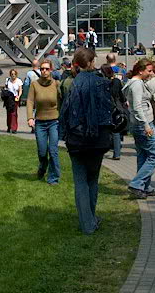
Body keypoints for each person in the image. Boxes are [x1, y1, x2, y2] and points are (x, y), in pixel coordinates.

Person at [58, 47, 113, 235]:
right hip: (97, 139)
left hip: (76, 139)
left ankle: (87, 222)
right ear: (90, 62)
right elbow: (108, 111)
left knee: (81, 181)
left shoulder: (69, 83)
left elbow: (64, 111)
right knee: (92, 179)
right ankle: (90, 220)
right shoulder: (102, 83)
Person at [124, 58, 155, 199]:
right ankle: (136, 183)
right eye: (149, 71)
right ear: (140, 71)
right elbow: (138, 106)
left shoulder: (134, 83)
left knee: (143, 155)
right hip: (143, 124)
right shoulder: (137, 84)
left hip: (138, 124)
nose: (151, 74)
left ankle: (144, 186)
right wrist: (146, 125)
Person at [27, 59, 62, 185]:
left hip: (54, 121)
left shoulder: (56, 84)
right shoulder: (34, 84)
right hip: (40, 122)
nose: (44, 71)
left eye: (47, 69)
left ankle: (53, 177)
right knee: (42, 152)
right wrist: (30, 117)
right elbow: (30, 101)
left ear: (51, 70)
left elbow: (62, 100)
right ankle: (42, 168)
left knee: (53, 151)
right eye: (42, 69)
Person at [102, 64, 127, 161]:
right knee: (116, 130)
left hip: (106, 107)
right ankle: (117, 153)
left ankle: (106, 148)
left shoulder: (103, 83)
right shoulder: (116, 81)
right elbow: (121, 94)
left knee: (106, 129)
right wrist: (124, 101)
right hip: (116, 107)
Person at [4, 69, 22, 133]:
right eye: (12, 74)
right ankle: (9, 126)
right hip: (8, 98)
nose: (13, 75)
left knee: (14, 113)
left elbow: (20, 90)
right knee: (9, 113)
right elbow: (5, 88)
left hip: (15, 98)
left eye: (14, 74)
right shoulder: (8, 80)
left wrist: (18, 96)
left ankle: (14, 128)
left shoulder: (18, 81)